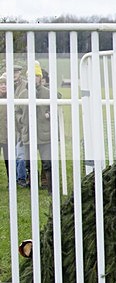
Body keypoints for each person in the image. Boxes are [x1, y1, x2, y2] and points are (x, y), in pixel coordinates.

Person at [16, 61, 56, 193]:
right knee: (29, 164)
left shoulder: (49, 93)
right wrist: (21, 120)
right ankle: (33, 188)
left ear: (40, 77)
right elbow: (17, 112)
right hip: (29, 135)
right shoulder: (22, 94)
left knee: (48, 163)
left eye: (36, 76)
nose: (34, 79)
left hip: (45, 134)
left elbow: (56, 108)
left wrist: (49, 114)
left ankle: (51, 188)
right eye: (31, 76)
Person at [0, 73, 8, 177]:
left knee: (9, 160)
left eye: (5, 84)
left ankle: (11, 180)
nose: (3, 86)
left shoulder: (13, 98)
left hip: (8, 135)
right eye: (1, 84)